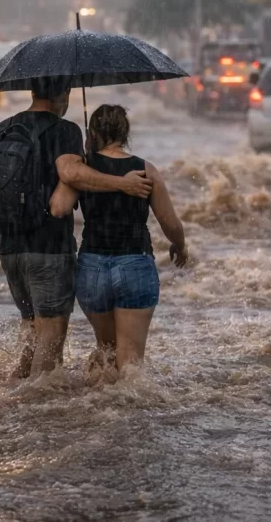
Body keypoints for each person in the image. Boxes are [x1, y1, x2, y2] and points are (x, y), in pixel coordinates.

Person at [0, 79, 154, 379]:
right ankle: (35, 404)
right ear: (65, 94)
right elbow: (71, 172)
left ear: (32, 91)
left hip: (9, 246)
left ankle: (12, 392)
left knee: (31, 325)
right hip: (47, 248)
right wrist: (122, 183)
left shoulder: (3, 128)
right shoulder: (64, 130)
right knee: (51, 329)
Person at [50, 104, 187, 373]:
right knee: (131, 362)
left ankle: (100, 408)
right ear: (125, 133)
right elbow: (170, 224)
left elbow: (60, 207)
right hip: (135, 263)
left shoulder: (83, 171)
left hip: (92, 268)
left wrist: (82, 164)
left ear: (93, 133)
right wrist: (179, 245)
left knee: (107, 351)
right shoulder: (145, 170)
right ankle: (130, 412)